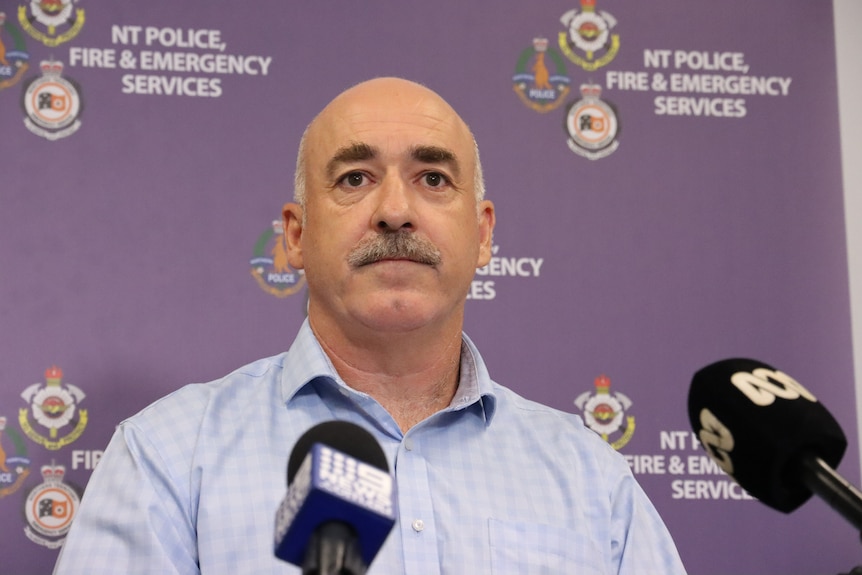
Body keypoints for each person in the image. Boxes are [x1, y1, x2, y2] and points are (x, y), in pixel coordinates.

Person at [53, 77, 687, 574]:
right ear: (296, 235)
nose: (394, 211)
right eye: (355, 179)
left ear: (484, 233)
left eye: (432, 179)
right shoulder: (167, 458)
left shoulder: (589, 478)